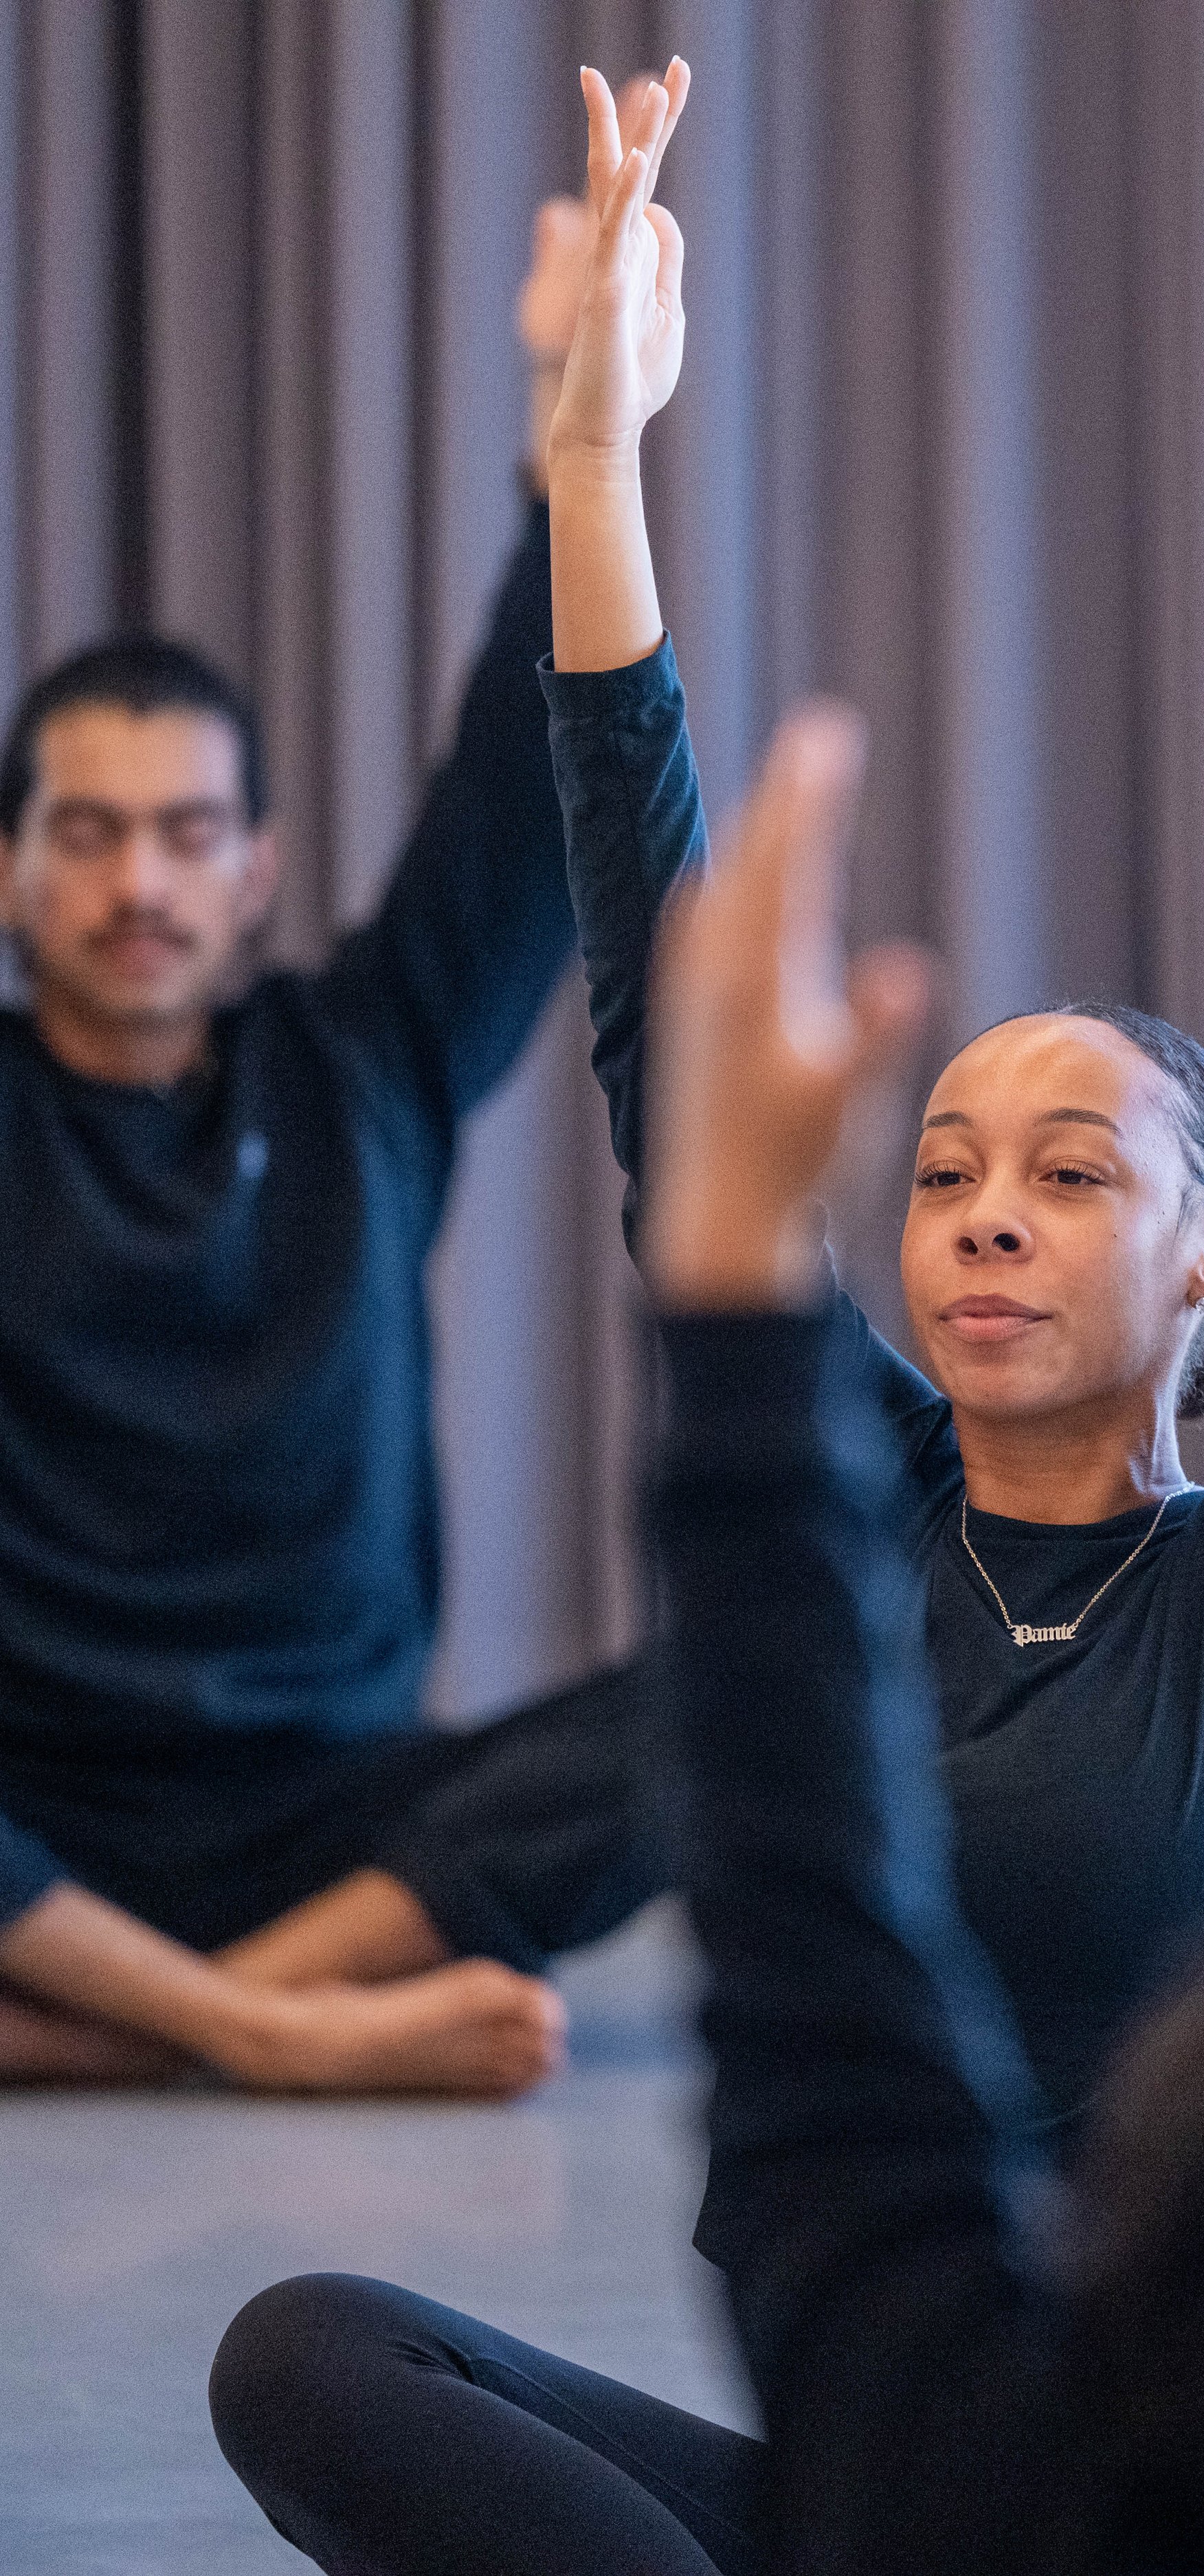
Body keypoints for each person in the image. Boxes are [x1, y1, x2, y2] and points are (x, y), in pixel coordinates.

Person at [206, 72, 1204, 2576]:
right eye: (942, 1169)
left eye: (1072, 1177)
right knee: (314, 2349)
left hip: (1202, 2517)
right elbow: (660, 993)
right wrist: (595, 466)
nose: (976, 1218)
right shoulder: (843, 1510)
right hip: (899, 2473)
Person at [0, 106, 685, 2097]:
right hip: (30, 1824)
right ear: (18, 869)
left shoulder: (362, 1058)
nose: (140, 883)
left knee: (759, 1677)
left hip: (337, 1816)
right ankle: (252, 2033)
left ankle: (137, 2032)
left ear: (257, 868)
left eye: (187, 834)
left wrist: (576, 446)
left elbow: (521, 788)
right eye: (91, 834)